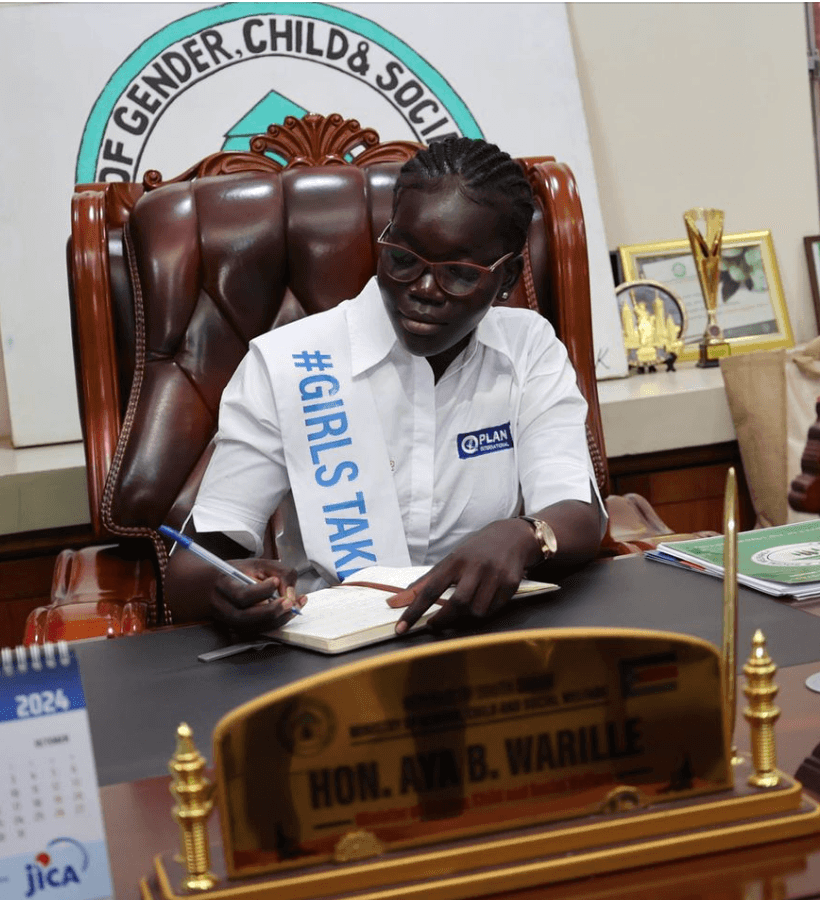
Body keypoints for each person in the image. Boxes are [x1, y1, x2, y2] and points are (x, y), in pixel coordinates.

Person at [166, 137, 606, 634]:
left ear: (504, 281)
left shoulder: (528, 348)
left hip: (483, 634)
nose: (422, 289)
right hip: (337, 655)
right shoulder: (289, 362)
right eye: (403, 258)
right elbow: (189, 572)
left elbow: (578, 515)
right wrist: (228, 586)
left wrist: (526, 534)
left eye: (459, 274)